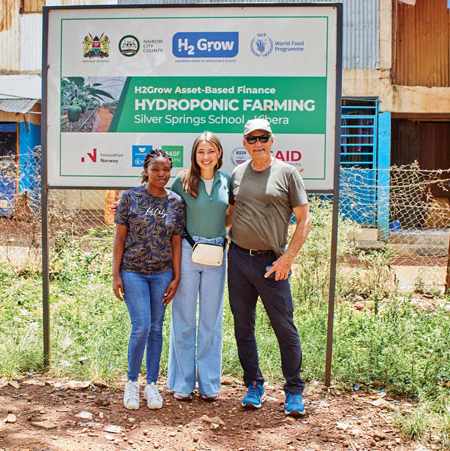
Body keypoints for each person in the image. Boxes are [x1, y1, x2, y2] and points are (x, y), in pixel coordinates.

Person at [227, 118, 312, 417]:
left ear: (272, 140)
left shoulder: (287, 174)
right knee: (243, 326)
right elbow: (230, 215)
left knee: (284, 328)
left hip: (271, 263)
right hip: (237, 259)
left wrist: (287, 258)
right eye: (252, 139)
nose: (258, 143)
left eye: (263, 137)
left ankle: (293, 391)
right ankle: (254, 385)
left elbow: (304, 219)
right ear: (245, 143)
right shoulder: (237, 174)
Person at [113, 149, 186, 410]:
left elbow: (176, 242)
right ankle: (132, 383)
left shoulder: (176, 202)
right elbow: (120, 238)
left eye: (165, 169)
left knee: (156, 329)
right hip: (132, 271)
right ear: (146, 170)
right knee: (141, 326)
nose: (161, 174)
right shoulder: (129, 198)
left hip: (162, 273)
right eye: (156, 169)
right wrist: (116, 275)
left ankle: (152, 385)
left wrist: (176, 277)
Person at [167, 131, 231, 402]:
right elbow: (167, 213)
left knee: (211, 320)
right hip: (187, 252)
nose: (206, 157)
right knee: (182, 318)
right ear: (194, 155)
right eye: (200, 152)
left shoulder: (227, 181)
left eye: (211, 151)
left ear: (219, 154)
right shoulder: (182, 181)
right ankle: (181, 383)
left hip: (217, 253)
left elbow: (232, 215)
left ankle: (208, 384)